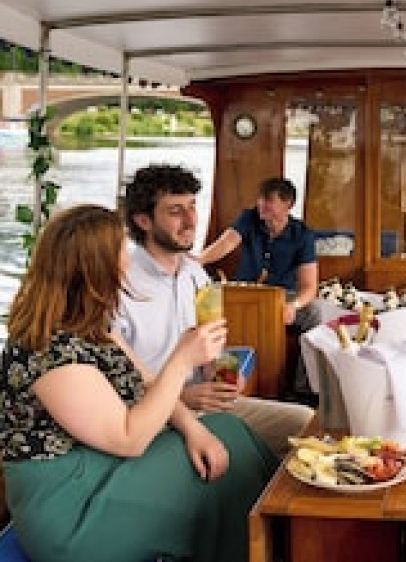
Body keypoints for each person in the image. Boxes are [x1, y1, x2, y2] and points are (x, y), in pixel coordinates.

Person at [0, 204, 278, 562]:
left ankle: (267, 541)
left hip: (104, 468)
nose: (127, 262)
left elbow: (149, 384)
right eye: (121, 251)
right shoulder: (46, 350)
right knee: (229, 447)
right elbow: (128, 439)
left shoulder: (91, 328)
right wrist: (182, 360)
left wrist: (193, 428)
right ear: (95, 268)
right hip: (71, 508)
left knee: (224, 433)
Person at [115, 164, 314, 456]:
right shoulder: (120, 285)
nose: (190, 220)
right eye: (175, 211)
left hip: (207, 403)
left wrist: (225, 376)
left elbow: (214, 345)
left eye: (192, 207)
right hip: (154, 416)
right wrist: (183, 397)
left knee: (305, 424)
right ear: (143, 221)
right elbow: (115, 380)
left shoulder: (196, 274)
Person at [198, 176, 321, 332]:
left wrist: (294, 305)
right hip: (244, 291)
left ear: (288, 204)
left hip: (280, 297)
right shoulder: (249, 217)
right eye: (260, 198)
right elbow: (226, 243)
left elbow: (309, 287)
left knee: (313, 313)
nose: (261, 204)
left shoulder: (303, 235)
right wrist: (198, 260)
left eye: (268, 200)